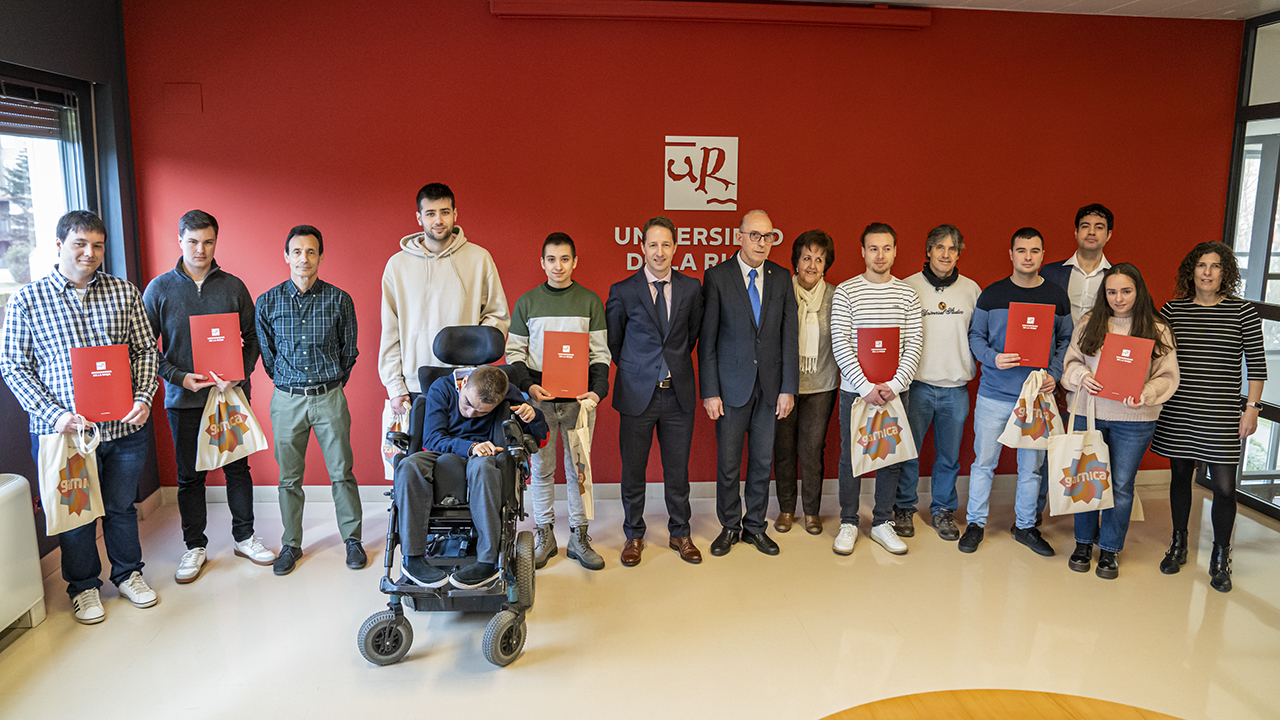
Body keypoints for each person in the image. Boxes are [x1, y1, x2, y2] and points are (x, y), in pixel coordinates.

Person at [1, 210, 159, 624]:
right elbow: (14, 367)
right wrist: (55, 416)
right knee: (75, 513)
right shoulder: (27, 300)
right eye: (80, 244)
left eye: (98, 245)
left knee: (122, 507)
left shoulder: (124, 293)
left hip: (123, 427)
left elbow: (146, 351)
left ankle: (128, 574)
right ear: (59, 246)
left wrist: (144, 396)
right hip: (63, 434)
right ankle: (84, 587)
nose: (90, 253)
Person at [142, 210, 274, 584]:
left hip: (230, 398)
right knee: (190, 477)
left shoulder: (233, 286)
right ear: (179, 240)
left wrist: (239, 374)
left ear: (217, 242)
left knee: (237, 469)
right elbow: (144, 348)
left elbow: (254, 338)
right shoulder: (159, 289)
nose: (201, 249)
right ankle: (194, 547)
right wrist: (179, 378)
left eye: (208, 242)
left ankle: (245, 538)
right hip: (184, 400)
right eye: (193, 241)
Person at [1151, 242, 1265, 593]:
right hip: (1180, 408)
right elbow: (1156, 356)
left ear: (1225, 273)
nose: (1207, 272)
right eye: (1201, 265)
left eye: (1215, 266)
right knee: (1180, 477)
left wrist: (1252, 410)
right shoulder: (1174, 309)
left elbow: (1257, 368)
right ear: (1192, 270)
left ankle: (1220, 556)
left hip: (1221, 413)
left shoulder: (1242, 312)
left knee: (1224, 488)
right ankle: (1179, 544)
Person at [255, 225, 363, 576]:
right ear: (286, 256)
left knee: (342, 473)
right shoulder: (267, 302)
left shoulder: (339, 300)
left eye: (311, 252)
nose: (304, 258)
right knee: (289, 478)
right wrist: (291, 384)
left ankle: (352, 540)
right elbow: (268, 357)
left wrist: (331, 382)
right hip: (287, 400)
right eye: (297, 252)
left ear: (320, 256)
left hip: (329, 397)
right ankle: (291, 544)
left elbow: (350, 352)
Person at [1060, 263, 1178, 579]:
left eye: (1126, 291)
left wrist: (1147, 392)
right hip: (1090, 413)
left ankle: (1110, 549)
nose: (1118, 298)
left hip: (1135, 419)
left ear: (1138, 291)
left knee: (1122, 485)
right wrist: (1081, 376)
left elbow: (1169, 376)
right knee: (1085, 480)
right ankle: (1083, 543)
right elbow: (1069, 365)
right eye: (1111, 291)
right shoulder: (1089, 323)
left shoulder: (1157, 328)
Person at [960, 227, 1072, 556]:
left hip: (1037, 397)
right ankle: (975, 523)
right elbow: (975, 337)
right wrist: (993, 357)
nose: (1027, 257)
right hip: (994, 394)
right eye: (1021, 250)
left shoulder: (1056, 296)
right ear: (1011, 254)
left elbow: (1066, 341)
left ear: (1042, 255)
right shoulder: (992, 295)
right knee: (984, 463)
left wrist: (1054, 373)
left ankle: (1025, 526)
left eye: (1034, 251)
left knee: (1031, 468)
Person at [505, 232, 610, 571]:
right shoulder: (527, 302)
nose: (558, 266)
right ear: (542, 263)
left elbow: (600, 354)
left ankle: (579, 536)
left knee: (579, 469)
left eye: (565, 259)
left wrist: (596, 392)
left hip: (579, 402)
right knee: (541, 468)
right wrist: (528, 388)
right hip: (539, 401)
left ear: (575, 262)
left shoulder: (591, 301)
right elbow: (513, 352)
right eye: (551, 259)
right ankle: (544, 534)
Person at [393, 365, 547, 589]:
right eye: (467, 403)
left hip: (483, 457)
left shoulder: (505, 391)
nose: (470, 413)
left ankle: (487, 561)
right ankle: (412, 559)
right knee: (408, 465)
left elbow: (540, 438)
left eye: (481, 412)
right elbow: (433, 438)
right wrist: (471, 446)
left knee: (484, 468)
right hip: (442, 451)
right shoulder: (441, 388)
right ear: (463, 383)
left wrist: (534, 415)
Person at [606, 217, 705, 566]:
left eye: (666, 245)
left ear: (675, 247)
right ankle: (634, 535)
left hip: (678, 394)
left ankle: (680, 532)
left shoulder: (691, 288)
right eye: (653, 245)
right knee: (633, 470)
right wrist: (640, 370)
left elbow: (691, 337)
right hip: (637, 393)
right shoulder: (623, 290)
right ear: (642, 248)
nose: (659, 252)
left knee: (677, 470)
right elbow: (614, 343)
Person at [700, 210, 798, 557]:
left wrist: (789, 388)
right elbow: (707, 340)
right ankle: (729, 526)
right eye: (754, 235)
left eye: (768, 236)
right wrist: (709, 391)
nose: (761, 242)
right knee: (728, 464)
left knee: (760, 462)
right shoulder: (717, 277)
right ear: (739, 236)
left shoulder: (782, 278)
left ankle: (755, 527)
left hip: (770, 389)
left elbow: (790, 337)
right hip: (729, 388)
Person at [830, 223, 923, 556]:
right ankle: (849, 522)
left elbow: (914, 343)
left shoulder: (907, 294)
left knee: (890, 457)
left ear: (895, 251)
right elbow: (840, 343)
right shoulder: (845, 292)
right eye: (873, 248)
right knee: (851, 457)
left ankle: (883, 522)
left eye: (886, 248)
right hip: (855, 392)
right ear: (863, 251)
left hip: (896, 392)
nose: (880, 255)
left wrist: (894, 386)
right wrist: (866, 387)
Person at [379, 183, 509, 416]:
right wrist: (395, 386)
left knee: (464, 452)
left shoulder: (479, 259)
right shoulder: (397, 266)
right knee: (417, 453)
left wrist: (476, 365)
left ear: (455, 215)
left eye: (445, 212)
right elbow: (390, 329)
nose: (438, 220)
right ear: (419, 218)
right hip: (415, 385)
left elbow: (497, 316)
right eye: (430, 213)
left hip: (466, 386)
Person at [899, 224, 981, 541]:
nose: (945, 254)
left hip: (955, 388)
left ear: (958, 253)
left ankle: (942, 510)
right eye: (939, 247)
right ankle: (904, 507)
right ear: (928, 251)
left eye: (952, 248)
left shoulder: (973, 291)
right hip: (916, 385)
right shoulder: (907, 287)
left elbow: (982, 336)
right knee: (908, 452)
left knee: (949, 457)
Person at [772, 230, 839, 536]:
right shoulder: (780, 292)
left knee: (812, 449)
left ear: (826, 265)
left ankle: (811, 510)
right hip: (784, 386)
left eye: (819, 259)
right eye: (806, 257)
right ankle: (787, 509)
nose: (812, 265)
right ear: (796, 262)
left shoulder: (837, 297)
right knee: (784, 448)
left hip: (821, 386)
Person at [1041, 204, 1114, 325]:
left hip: (1100, 343)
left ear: (1108, 235)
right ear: (1076, 232)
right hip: (1060, 343)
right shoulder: (1050, 273)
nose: (1091, 232)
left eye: (1099, 227)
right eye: (1085, 226)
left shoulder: (1118, 276)